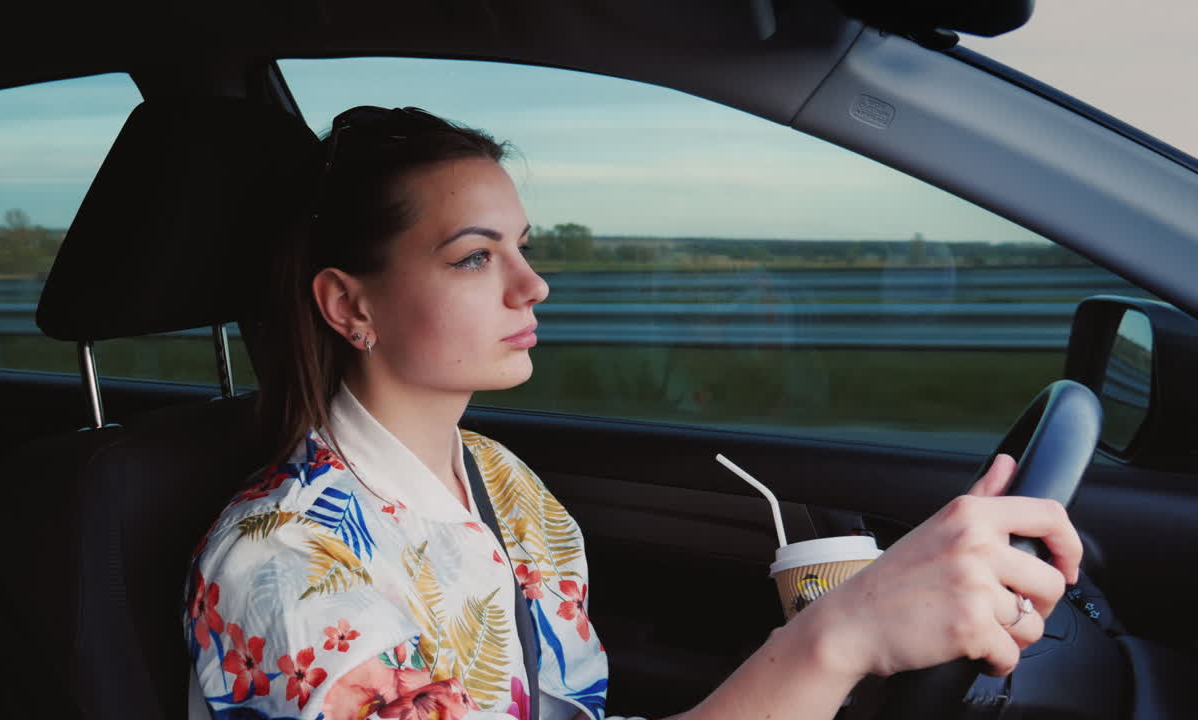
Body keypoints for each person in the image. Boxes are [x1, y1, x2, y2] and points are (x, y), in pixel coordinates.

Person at [184, 106, 1082, 720]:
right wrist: (838, 639)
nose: (533, 285)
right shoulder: (289, 572)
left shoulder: (501, 481)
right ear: (349, 307)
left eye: (522, 249)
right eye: (472, 258)